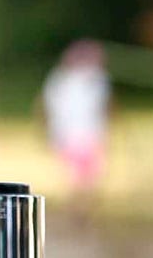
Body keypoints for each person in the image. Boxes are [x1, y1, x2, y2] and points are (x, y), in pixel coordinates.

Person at [41, 39, 110, 200]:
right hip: (71, 134)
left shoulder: (96, 80)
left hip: (88, 134)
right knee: (79, 175)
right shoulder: (62, 80)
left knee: (88, 175)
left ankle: (82, 206)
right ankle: (80, 206)